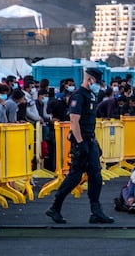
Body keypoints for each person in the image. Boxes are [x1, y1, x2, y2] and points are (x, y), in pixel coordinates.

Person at [46, 68, 114, 224]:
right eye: (96, 81)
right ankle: (55, 207)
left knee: (96, 176)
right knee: (75, 176)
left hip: (90, 140)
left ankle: (96, 211)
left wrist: (93, 143)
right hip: (81, 142)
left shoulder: (91, 95)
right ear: (89, 79)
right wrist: (81, 143)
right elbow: (74, 122)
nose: (98, 85)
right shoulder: (79, 96)